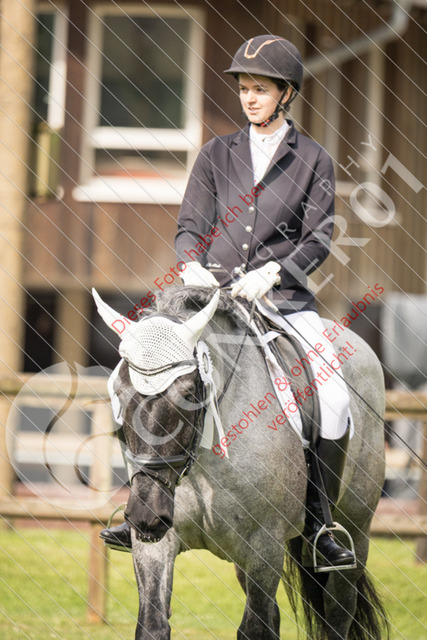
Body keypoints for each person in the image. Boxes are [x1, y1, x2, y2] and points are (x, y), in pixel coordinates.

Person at [102, 34, 355, 569]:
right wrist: (190, 263)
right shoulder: (216, 153)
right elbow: (189, 226)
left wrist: (274, 271)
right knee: (145, 375)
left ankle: (319, 524)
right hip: (209, 302)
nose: (250, 98)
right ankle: (138, 505)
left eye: (261, 89)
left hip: (283, 301)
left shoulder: (314, 159)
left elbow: (319, 238)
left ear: (287, 94)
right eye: (244, 88)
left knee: (332, 395)